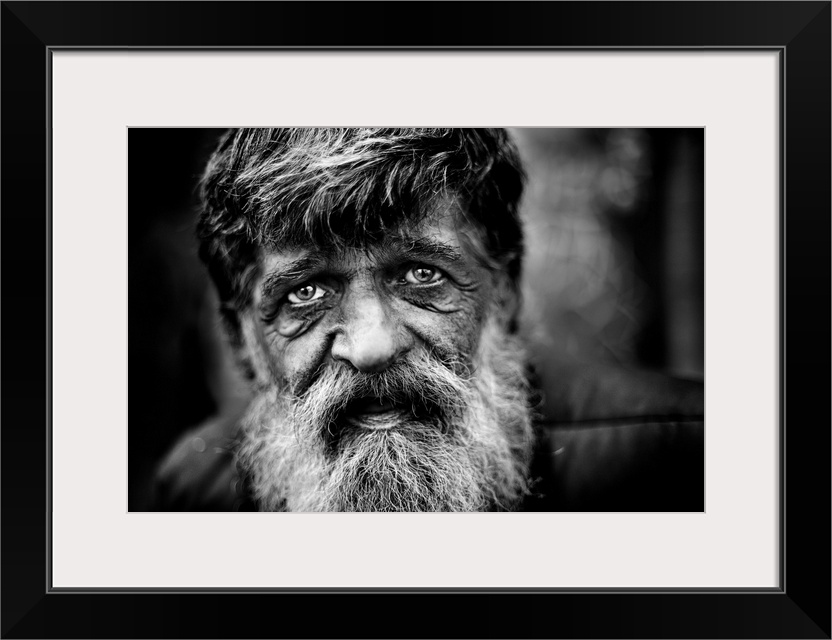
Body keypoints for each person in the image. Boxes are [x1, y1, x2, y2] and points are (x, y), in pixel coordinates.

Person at [151, 128, 704, 512]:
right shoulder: (196, 489)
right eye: (307, 291)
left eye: (420, 275)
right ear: (242, 339)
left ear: (504, 293)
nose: (372, 347)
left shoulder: (684, 465)